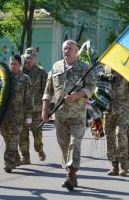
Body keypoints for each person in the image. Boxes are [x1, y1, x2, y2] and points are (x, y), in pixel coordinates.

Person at [42, 40, 95, 191]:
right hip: (60, 115)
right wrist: (44, 110)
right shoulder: (56, 66)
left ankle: (70, 174)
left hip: (78, 114)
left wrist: (77, 95)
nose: (67, 50)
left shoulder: (84, 67)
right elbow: (48, 90)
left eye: (70, 48)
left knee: (74, 143)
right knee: (64, 146)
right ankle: (71, 174)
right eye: (65, 48)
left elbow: (92, 87)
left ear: (76, 51)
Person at [0, 55, 34, 173]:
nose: (12, 66)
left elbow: (29, 99)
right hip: (4, 115)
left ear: (20, 65)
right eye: (11, 64)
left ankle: (8, 162)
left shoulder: (25, 79)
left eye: (14, 64)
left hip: (18, 115)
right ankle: (15, 158)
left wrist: (29, 116)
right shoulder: (5, 78)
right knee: (6, 137)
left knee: (14, 138)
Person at [102, 67, 129, 176]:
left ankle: (124, 165)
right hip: (107, 110)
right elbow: (99, 90)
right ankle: (114, 165)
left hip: (123, 109)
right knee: (109, 137)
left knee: (121, 134)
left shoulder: (127, 70)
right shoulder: (104, 70)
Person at [19, 47, 47, 164]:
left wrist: (47, 108)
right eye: (26, 58)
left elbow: (46, 90)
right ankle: (25, 157)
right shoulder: (20, 72)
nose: (28, 60)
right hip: (23, 109)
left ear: (35, 58)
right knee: (22, 134)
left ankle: (39, 149)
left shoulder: (41, 72)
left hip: (36, 109)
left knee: (37, 133)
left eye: (30, 58)